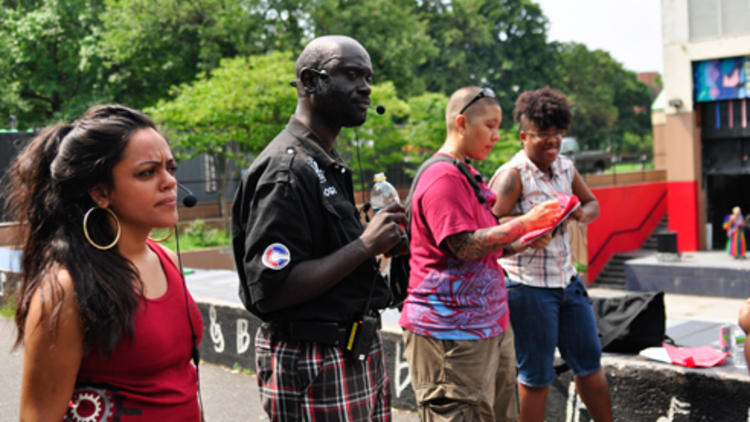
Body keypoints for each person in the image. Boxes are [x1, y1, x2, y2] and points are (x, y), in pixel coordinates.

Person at [231, 35, 407, 421]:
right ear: (310, 81)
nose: (366, 87)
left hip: (354, 353)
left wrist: (380, 244)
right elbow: (272, 291)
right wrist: (364, 244)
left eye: (368, 76)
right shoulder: (287, 169)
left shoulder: (323, 160)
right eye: (351, 74)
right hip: (314, 362)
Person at [7, 105, 203, 420]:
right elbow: (39, 415)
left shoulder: (165, 259)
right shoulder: (66, 289)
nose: (169, 182)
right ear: (100, 192)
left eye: (171, 168)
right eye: (147, 172)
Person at [398, 86, 560, 422]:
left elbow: (485, 248)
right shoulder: (442, 176)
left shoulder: (466, 173)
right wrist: (524, 223)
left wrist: (527, 238)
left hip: (488, 327)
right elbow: (462, 245)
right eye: (489, 126)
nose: (497, 136)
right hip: (450, 335)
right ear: (461, 123)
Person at [489, 87, 613, 422]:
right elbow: (490, 224)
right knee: (536, 378)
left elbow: (592, 203)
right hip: (527, 287)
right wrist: (527, 230)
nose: (552, 143)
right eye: (543, 136)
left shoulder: (566, 168)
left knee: (590, 367)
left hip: (567, 283)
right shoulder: (512, 175)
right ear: (523, 136)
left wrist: (579, 214)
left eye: (558, 134)